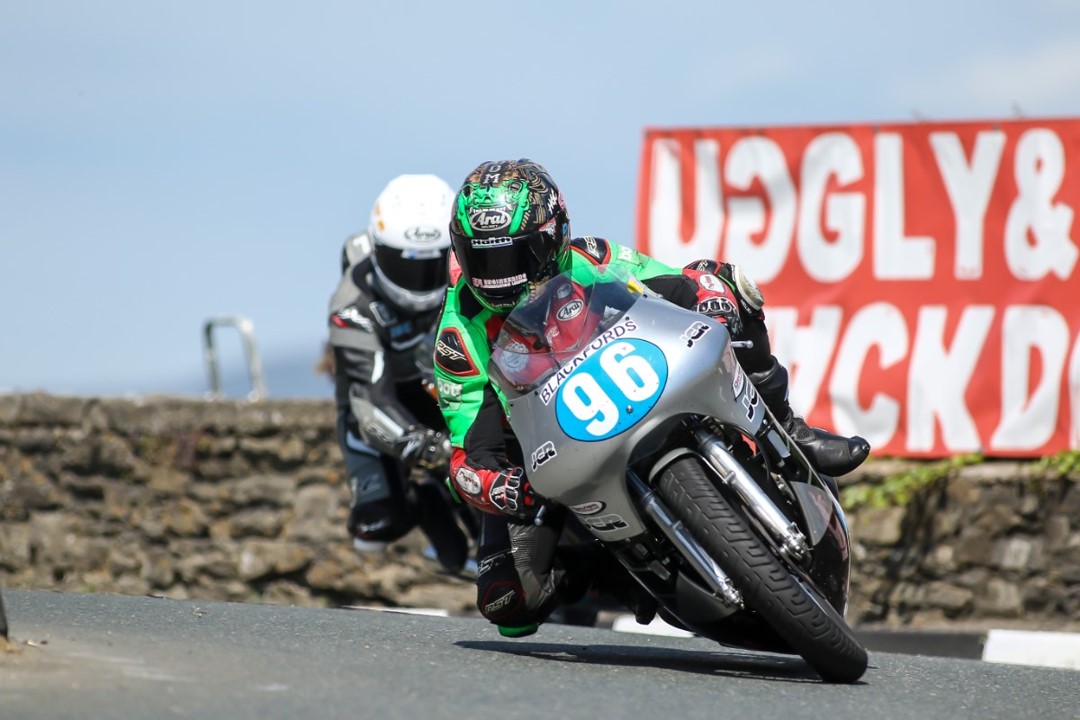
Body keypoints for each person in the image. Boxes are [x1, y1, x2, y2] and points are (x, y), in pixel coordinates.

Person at [433, 158, 870, 635]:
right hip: (543, 448)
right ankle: (622, 572)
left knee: (722, 282)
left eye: (514, 258)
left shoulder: (592, 256)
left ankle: (790, 430)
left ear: (553, 236)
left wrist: (711, 297)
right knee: (508, 604)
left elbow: (675, 283)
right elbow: (468, 451)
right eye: (483, 261)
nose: (500, 277)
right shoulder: (457, 336)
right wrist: (500, 485)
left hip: (633, 374)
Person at [328, 173, 476, 574]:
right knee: (373, 527)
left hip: (451, 388)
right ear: (379, 252)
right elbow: (371, 403)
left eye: (436, 262)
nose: (423, 282)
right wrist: (433, 449)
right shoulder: (351, 306)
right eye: (408, 265)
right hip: (380, 397)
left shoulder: (475, 277)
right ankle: (423, 501)